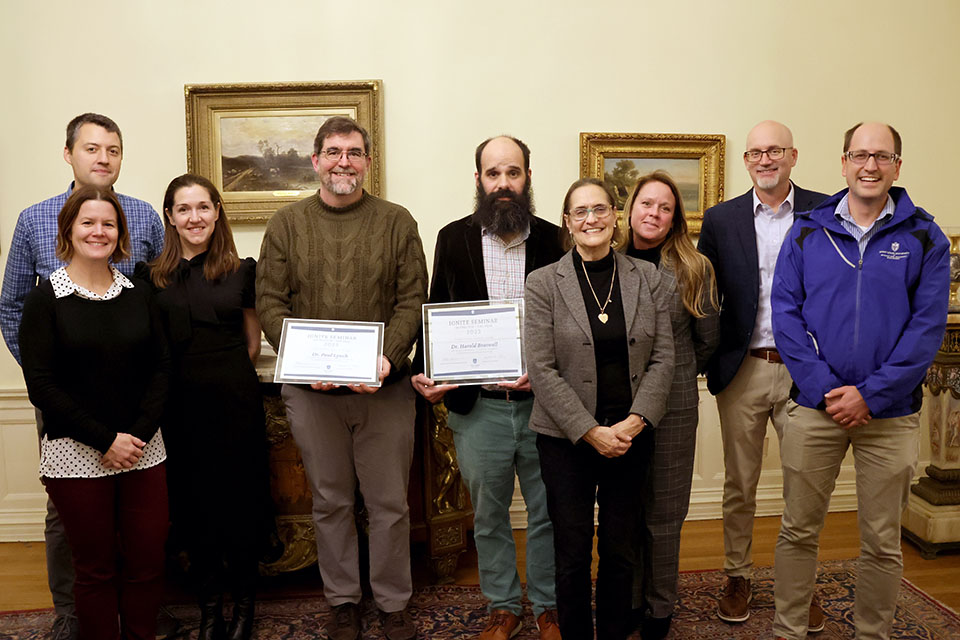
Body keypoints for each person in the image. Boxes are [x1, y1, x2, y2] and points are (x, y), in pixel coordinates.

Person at [771, 122, 949, 640]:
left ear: (898, 165)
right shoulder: (806, 230)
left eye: (882, 156)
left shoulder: (924, 236)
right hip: (814, 408)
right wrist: (829, 391)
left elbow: (926, 330)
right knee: (799, 531)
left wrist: (870, 394)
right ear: (843, 162)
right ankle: (788, 630)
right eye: (859, 155)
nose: (870, 165)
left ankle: (872, 633)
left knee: (881, 540)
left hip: (889, 415)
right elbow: (787, 317)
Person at [257, 116, 427, 640]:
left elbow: (412, 298)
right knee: (329, 501)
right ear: (315, 160)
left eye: (354, 152)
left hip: (384, 389)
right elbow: (269, 302)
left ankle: (394, 602)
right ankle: (343, 600)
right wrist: (308, 364)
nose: (343, 162)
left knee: (389, 503)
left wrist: (389, 359)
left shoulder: (398, 222)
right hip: (313, 394)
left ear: (368, 162)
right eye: (332, 152)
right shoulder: (285, 224)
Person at [0, 112, 166, 640]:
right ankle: (72, 620)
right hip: (71, 426)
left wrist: (135, 430)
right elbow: (11, 310)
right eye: (92, 148)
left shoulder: (143, 224)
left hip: (140, 436)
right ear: (69, 153)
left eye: (112, 149)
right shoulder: (34, 227)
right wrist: (58, 384)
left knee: (143, 553)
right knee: (73, 539)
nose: (103, 158)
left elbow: (158, 347)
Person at [411, 136, 564, 640]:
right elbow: (438, 314)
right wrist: (426, 370)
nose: (503, 184)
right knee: (490, 516)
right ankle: (503, 606)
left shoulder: (554, 239)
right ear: (478, 179)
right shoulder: (452, 238)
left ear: (527, 178)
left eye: (513, 173)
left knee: (548, 514)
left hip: (546, 405)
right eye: (493, 173)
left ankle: (548, 606)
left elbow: (572, 324)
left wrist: (546, 372)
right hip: (478, 410)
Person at [524, 178, 674, 640]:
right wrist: (590, 431)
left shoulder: (645, 278)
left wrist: (634, 422)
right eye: (580, 212)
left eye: (600, 210)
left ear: (615, 215)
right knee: (570, 552)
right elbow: (542, 368)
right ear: (568, 223)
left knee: (619, 549)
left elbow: (664, 357)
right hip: (565, 439)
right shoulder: (544, 282)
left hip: (631, 436)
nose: (591, 219)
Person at [696, 120, 828, 628]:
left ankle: (802, 586)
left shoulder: (825, 211)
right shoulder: (721, 219)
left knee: (806, 486)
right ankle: (738, 575)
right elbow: (705, 296)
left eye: (775, 150)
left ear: (793, 155)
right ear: (746, 161)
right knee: (740, 485)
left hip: (807, 374)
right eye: (756, 152)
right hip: (743, 368)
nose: (765, 159)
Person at [136, 174, 268, 640]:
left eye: (203, 207)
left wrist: (224, 374)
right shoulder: (150, 276)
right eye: (183, 209)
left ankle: (245, 609)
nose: (195, 217)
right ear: (170, 217)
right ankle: (210, 609)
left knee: (241, 507)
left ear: (217, 212)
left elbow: (252, 341)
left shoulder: (242, 269)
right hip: (178, 407)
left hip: (234, 401)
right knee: (195, 510)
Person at [622, 171, 719, 639]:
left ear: (675, 217)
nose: (654, 214)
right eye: (647, 204)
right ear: (631, 207)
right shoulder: (607, 257)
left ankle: (659, 610)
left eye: (665, 207)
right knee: (625, 510)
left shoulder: (693, 267)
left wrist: (674, 376)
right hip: (617, 408)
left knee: (664, 514)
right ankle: (630, 599)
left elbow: (706, 342)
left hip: (676, 404)